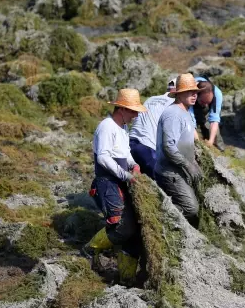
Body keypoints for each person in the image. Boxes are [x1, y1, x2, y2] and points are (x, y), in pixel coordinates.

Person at [83, 89, 147, 284]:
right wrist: (125, 175)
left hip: (122, 181)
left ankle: (126, 278)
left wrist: (133, 165)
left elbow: (125, 154)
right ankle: (89, 250)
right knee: (121, 226)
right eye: (133, 111)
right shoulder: (107, 127)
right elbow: (103, 157)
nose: (136, 116)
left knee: (133, 230)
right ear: (122, 109)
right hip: (107, 183)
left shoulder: (122, 128)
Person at [154, 74, 203, 227]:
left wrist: (193, 163)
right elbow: (168, 146)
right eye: (190, 92)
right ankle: (157, 220)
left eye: (196, 92)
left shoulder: (186, 113)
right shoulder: (173, 114)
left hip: (179, 169)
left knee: (195, 207)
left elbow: (186, 144)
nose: (194, 95)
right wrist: (187, 165)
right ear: (179, 93)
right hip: (170, 172)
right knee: (190, 209)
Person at [128, 77, 177, 178]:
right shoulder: (174, 104)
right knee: (166, 184)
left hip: (129, 145)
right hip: (148, 148)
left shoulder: (151, 99)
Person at [191, 76, 225, 151]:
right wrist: (198, 144)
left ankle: (220, 149)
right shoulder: (190, 93)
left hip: (207, 107)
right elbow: (189, 121)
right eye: (203, 102)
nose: (205, 105)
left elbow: (214, 120)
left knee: (214, 133)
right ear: (196, 95)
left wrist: (211, 141)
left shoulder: (217, 94)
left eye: (208, 102)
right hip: (192, 106)